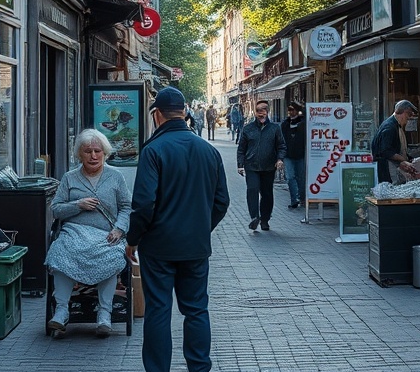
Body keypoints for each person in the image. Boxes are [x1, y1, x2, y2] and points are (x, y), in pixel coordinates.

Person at [125, 87, 229, 372]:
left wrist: (133, 238)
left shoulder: (153, 150)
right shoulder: (208, 150)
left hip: (158, 247)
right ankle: (199, 367)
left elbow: (144, 204)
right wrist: (200, 228)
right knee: (196, 309)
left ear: (157, 115)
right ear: (184, 112)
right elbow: (222, 202)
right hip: (195, 246)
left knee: (159, 309)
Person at [46, 129, 131, 338]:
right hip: (74, 232)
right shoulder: (70, 178)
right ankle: (62, 310)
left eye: (97, 151)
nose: (93, 156)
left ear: (105, 153)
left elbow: (127, 207)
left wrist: (119, 229)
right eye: (87, 151)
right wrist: (78, 205)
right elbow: (56, 209)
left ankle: (104, 314)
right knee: (60, 250)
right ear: (79, 154)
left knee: (111, 254)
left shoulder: (115, 176)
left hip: (106, 233)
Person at [236, 100, 286, 231]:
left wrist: (280, 159)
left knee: (267, 194)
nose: (261, 113)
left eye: (263, 110)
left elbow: (281, 146)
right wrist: (240, 164)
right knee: (252, 190)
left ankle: (265, 219)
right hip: (251, 166)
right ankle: (254, 217)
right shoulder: (248, 129)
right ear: (255, 112)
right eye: (258, 111)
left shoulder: (275, 128)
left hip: (269, 167)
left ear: (267, 111)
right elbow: (241, 149)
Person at [371, 100, 419, 185]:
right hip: (387, 170)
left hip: (393, 169)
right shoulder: (389, 127)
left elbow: (397, 148)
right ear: (404, 112)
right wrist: (404, 160)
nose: (408, 119)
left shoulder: (395, 126)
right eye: (409, 114)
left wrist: (408, 159)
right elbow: (385, 151)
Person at [280, 101, 307, 209]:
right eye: (289, 110)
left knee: (301, 177)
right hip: (288, 156)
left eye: (292, 109)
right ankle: (294, 200)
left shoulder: (303, 123)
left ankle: (302, 198)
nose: (290, 112)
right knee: (290, 177)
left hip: (301, 154)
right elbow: (281, 140)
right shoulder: (285, 124)